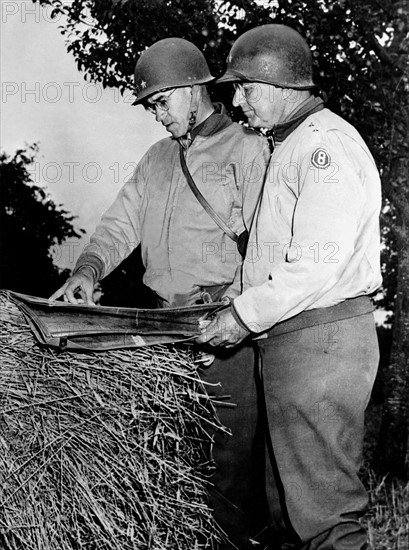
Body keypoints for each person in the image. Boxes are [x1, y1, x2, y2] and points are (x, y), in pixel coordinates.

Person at [50, 38, 270, 549]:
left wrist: (235, 301)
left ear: (193, 90)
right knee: (172, 465)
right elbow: (119, 224)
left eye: (160, 102)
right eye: (149, 106)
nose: (155, 115)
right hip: (163, 333)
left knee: (231, 472)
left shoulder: (249, 149)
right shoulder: (156, 159)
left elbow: (269, 246)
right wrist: (87, 268)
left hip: (227, 332)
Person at [198, 24, 382, 550]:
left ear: (280, 87)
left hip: (319, 342)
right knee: (288, 511)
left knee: (324, 515)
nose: (236, 101)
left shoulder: (324, 147)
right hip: (294, 339)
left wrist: (240, 316)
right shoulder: (291, 144)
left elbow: (315, 266)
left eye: (245, 88)